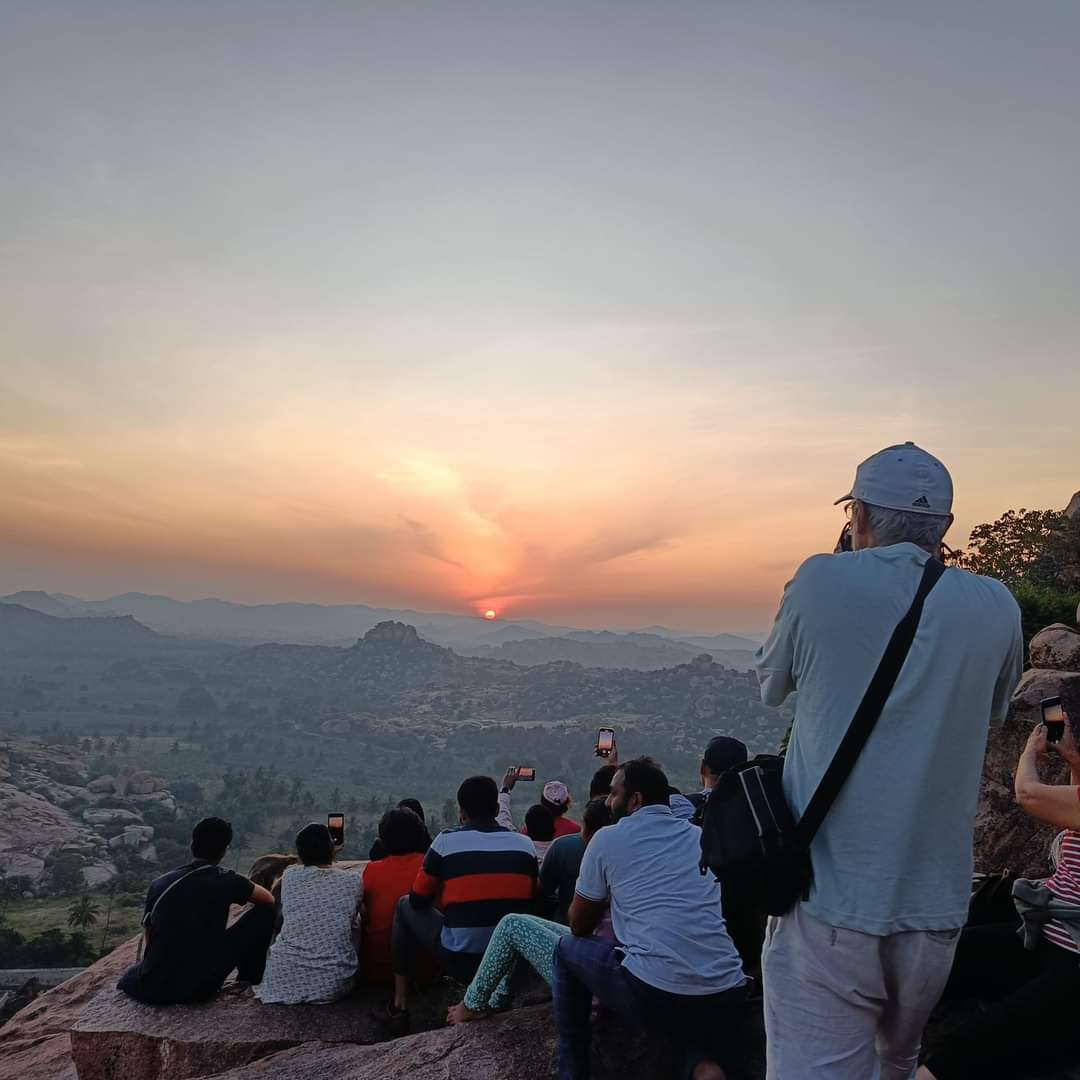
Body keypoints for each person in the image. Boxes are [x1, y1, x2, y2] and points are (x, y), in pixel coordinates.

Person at [754, 442, 1024, 1079]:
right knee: (894, 1065)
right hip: (935, 909)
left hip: (831, 904)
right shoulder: (997, 605)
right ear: (946, 530)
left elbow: (771, 683)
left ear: (859, 517)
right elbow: (994, 710)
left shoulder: (819, 579)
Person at [552, 758, 754, 1080]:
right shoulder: (698, 836)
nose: (608, 801)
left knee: (565, 949)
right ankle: (701, 1067)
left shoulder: (606, 839)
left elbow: (579, 926)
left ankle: (571, 1071)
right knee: (671, 1002)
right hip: (726, 987)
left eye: (613, 793)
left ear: (635, 800)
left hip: (656, 991)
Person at [919, 707, 1080, 1080]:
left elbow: (1029, 795)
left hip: (1073, 966)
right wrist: (1071, 757)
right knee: (929, 962)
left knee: (965, 1051)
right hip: (1042, 937)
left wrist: (1029, 754)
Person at [388, 775, 539, 1031]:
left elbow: (418, 899)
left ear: (461, 812)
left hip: (463, 961)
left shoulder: (446, 842)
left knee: (403, 905)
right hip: (511, 964)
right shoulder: (525, 845)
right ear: (495, 809)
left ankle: (400, 1003)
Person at [447, 799, 615, 1025]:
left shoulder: (593, 856)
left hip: (595, 977)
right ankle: (497, 1000)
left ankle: (473, 1004)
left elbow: (578, 925)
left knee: (512, 925)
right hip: (608, 958)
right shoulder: (632, 860)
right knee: (523, 923)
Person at [117, 817, 275, 1005]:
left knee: (132, 974)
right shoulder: (227, 880)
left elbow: (149, 934)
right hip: (200, 986)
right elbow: (268, 899)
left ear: (192, 844)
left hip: (153, 983)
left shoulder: (160, 883)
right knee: (265, 912)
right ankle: (249, 978)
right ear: (225, 850)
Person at [255, 823, 363, 1004]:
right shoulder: (352, 880)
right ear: (332, 848)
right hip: (331, 984)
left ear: (300, 853)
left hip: (279, 981)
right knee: (356, 918)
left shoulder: (289, 877)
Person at [362, 807, 432, 985]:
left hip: (376, 971)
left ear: (383, 839)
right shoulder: (430, 867)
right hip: (426, 973)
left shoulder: (371, 871)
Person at [542, 798, 612, 924]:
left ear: (587, 828)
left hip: (568, 925)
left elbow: (544, 890)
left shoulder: (562, 847)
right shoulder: (632, 852)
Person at [498, 772, 581, 837]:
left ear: (542, 801)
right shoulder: (576, 831)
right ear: (567, 803)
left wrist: (505, 789)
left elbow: (503, 820)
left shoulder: (530, 831)